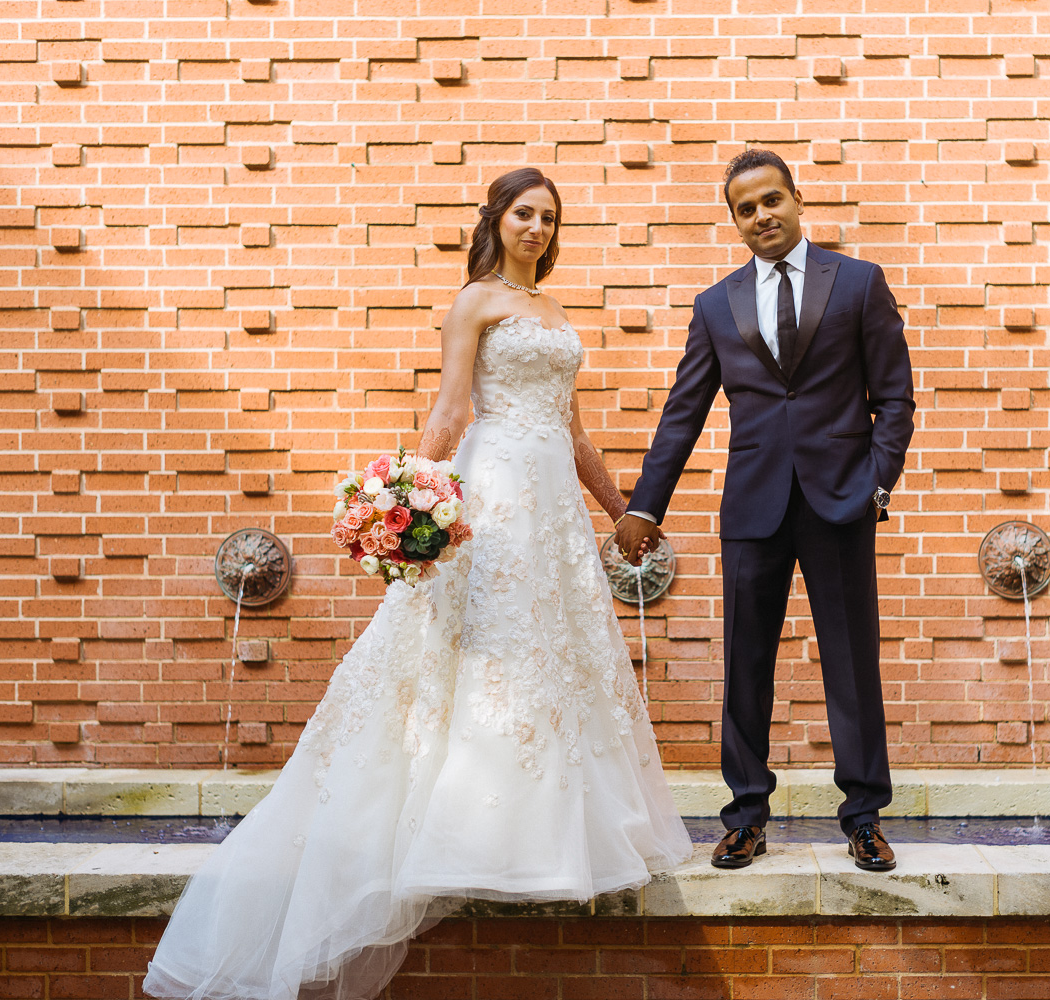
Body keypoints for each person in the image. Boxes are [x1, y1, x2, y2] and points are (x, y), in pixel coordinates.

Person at [145, 167, 692, 1000]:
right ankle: (458, 830)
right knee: (480, 647)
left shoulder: (555, 312)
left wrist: (626, 507)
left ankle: (543, 832)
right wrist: (400, 499)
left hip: (552, 501)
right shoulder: (474, 301)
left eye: (549, 217)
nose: (537, 228)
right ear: (497, 220)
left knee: (555, 651)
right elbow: (447, 413)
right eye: (523, 213)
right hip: (498, 492)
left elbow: (573, 426)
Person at [615, 148, 915, 873]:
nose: (761, 217)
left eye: (771, 201)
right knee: (745, 661)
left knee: (852, 663)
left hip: (840, 501)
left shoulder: (858, 284)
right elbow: (683, 412)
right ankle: (746, 815)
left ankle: (865, 817)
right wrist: (643, 507)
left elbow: (896, 398)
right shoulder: (715, 305)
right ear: (735, 221)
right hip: (752, 504)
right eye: (745, 210)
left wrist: (876, 484)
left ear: (797, 199)